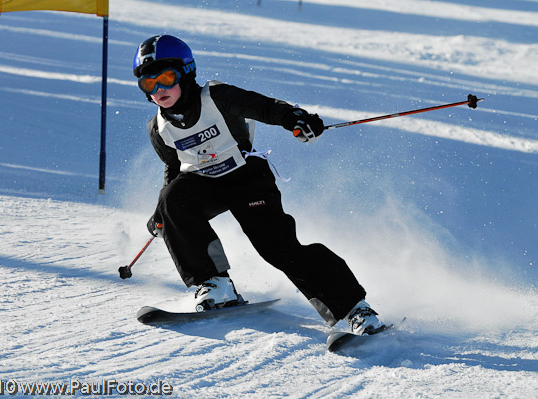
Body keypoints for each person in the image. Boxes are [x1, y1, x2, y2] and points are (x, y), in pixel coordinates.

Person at [132, 34, 385, 335]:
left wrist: (295, 118)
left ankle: (356, 309)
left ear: (187, 72)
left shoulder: (215, 96)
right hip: (203, 183)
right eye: (149, 83)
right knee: (172, 199)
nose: (159, 89)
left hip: (246, 178)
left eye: (166, 78)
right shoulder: (158, 128)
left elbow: (263, 107)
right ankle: (215, 285)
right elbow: (173, 168)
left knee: (278, 249)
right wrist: (163, 215)